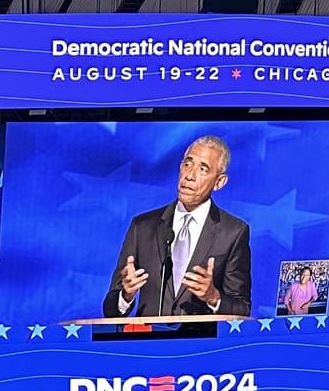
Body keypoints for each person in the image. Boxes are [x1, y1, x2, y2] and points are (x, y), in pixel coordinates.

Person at [101, 134, 252, 319]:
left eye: (203, 169)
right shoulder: (142, 227)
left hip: (202, 345)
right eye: (187, 164)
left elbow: (242, 308)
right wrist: (126, 295)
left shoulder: (233, 232)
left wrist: (213, 297)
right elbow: (110, 310)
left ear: (219, 182)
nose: (190, 176)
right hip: (148, 343)